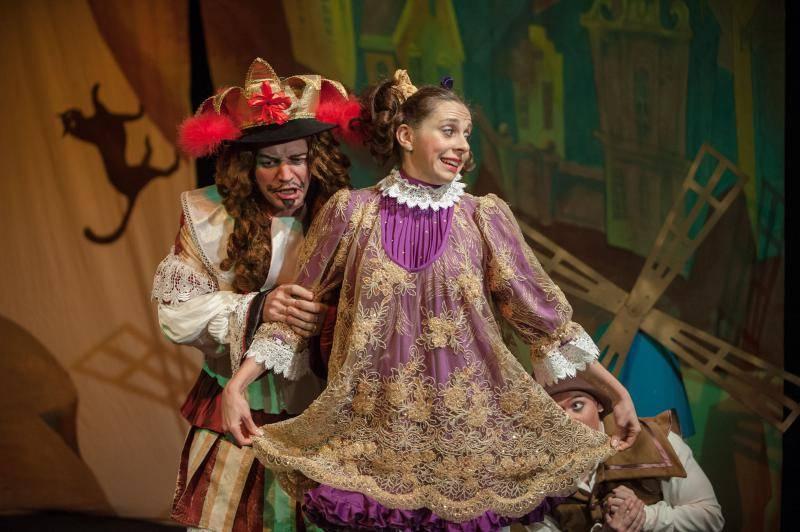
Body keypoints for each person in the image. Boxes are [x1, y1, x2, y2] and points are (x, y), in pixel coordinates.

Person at [221, 69, 641, 531]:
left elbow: (545, 324)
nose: (462, 145)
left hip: (467, 443)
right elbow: (293, 316)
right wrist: (238, 385)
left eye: (466, 134)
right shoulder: (352, 213)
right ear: (406, 135)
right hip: (375, 440)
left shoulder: (483, 219)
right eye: (448, 130)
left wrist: (616, 392)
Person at [151, 57, 357, 532]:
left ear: (314, 159)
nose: (286, 175)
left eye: (297, 159)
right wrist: (259, 306)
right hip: (236, 415)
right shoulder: (208, 217)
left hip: (320, 411)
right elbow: (176, 315)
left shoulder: (342, 216)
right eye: (269, 162)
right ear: (249, 167)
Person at [524, 376, 724, 532]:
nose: (567, 422)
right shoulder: (534, 480)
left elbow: (711, 518)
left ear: (598, 404)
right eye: (554, 413)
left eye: (577, 405)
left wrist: (643, 517)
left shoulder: (656, 441)